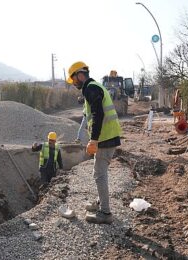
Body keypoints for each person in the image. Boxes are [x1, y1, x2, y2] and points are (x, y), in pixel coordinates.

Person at [67, 61, 122, 224]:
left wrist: (94, 139)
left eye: (74, 79)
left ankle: (105, 213)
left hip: (105, 136)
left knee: (99, 173)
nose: (74, 83)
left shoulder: (91, 88)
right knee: (99, 171)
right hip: (106, 135)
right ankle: (100, 203)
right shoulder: (92, 87)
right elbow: (91, 115)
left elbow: (98, 115)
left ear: (80, 75)